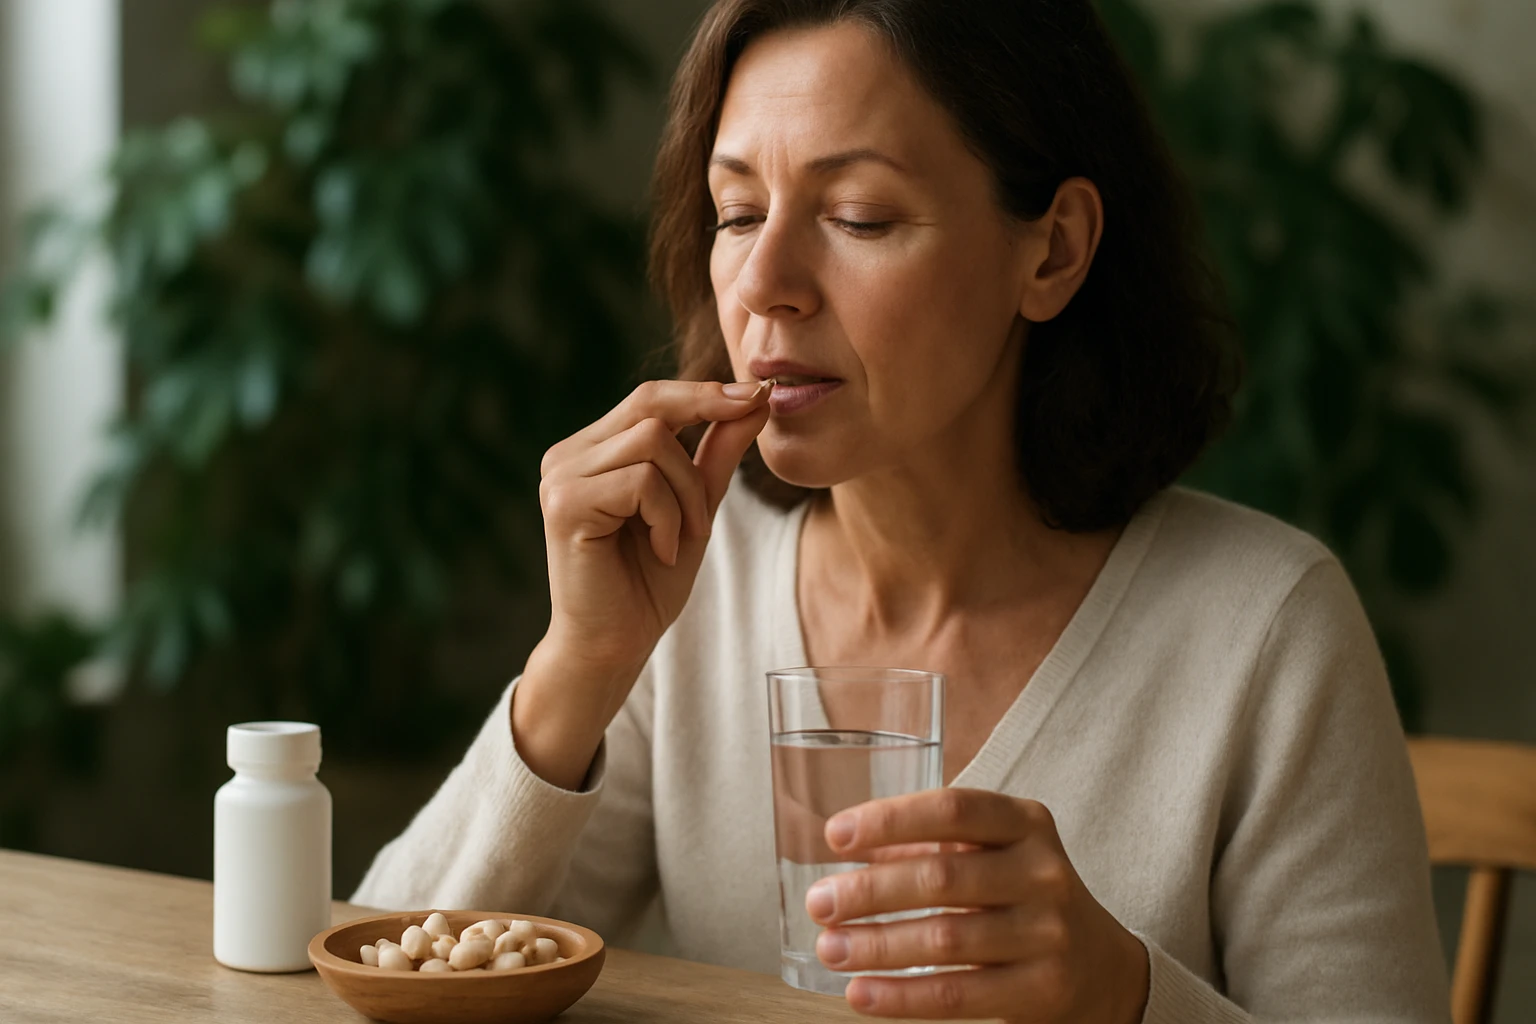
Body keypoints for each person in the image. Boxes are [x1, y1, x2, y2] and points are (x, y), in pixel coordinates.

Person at [355, 1, 1450, 1020]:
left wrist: (1127, 995)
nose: (766, 281)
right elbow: (377, 971)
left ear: (1054, 249)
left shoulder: (1267, 627)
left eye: (859, 215)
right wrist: (579, 663)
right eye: (737, 211)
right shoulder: (694, 579)